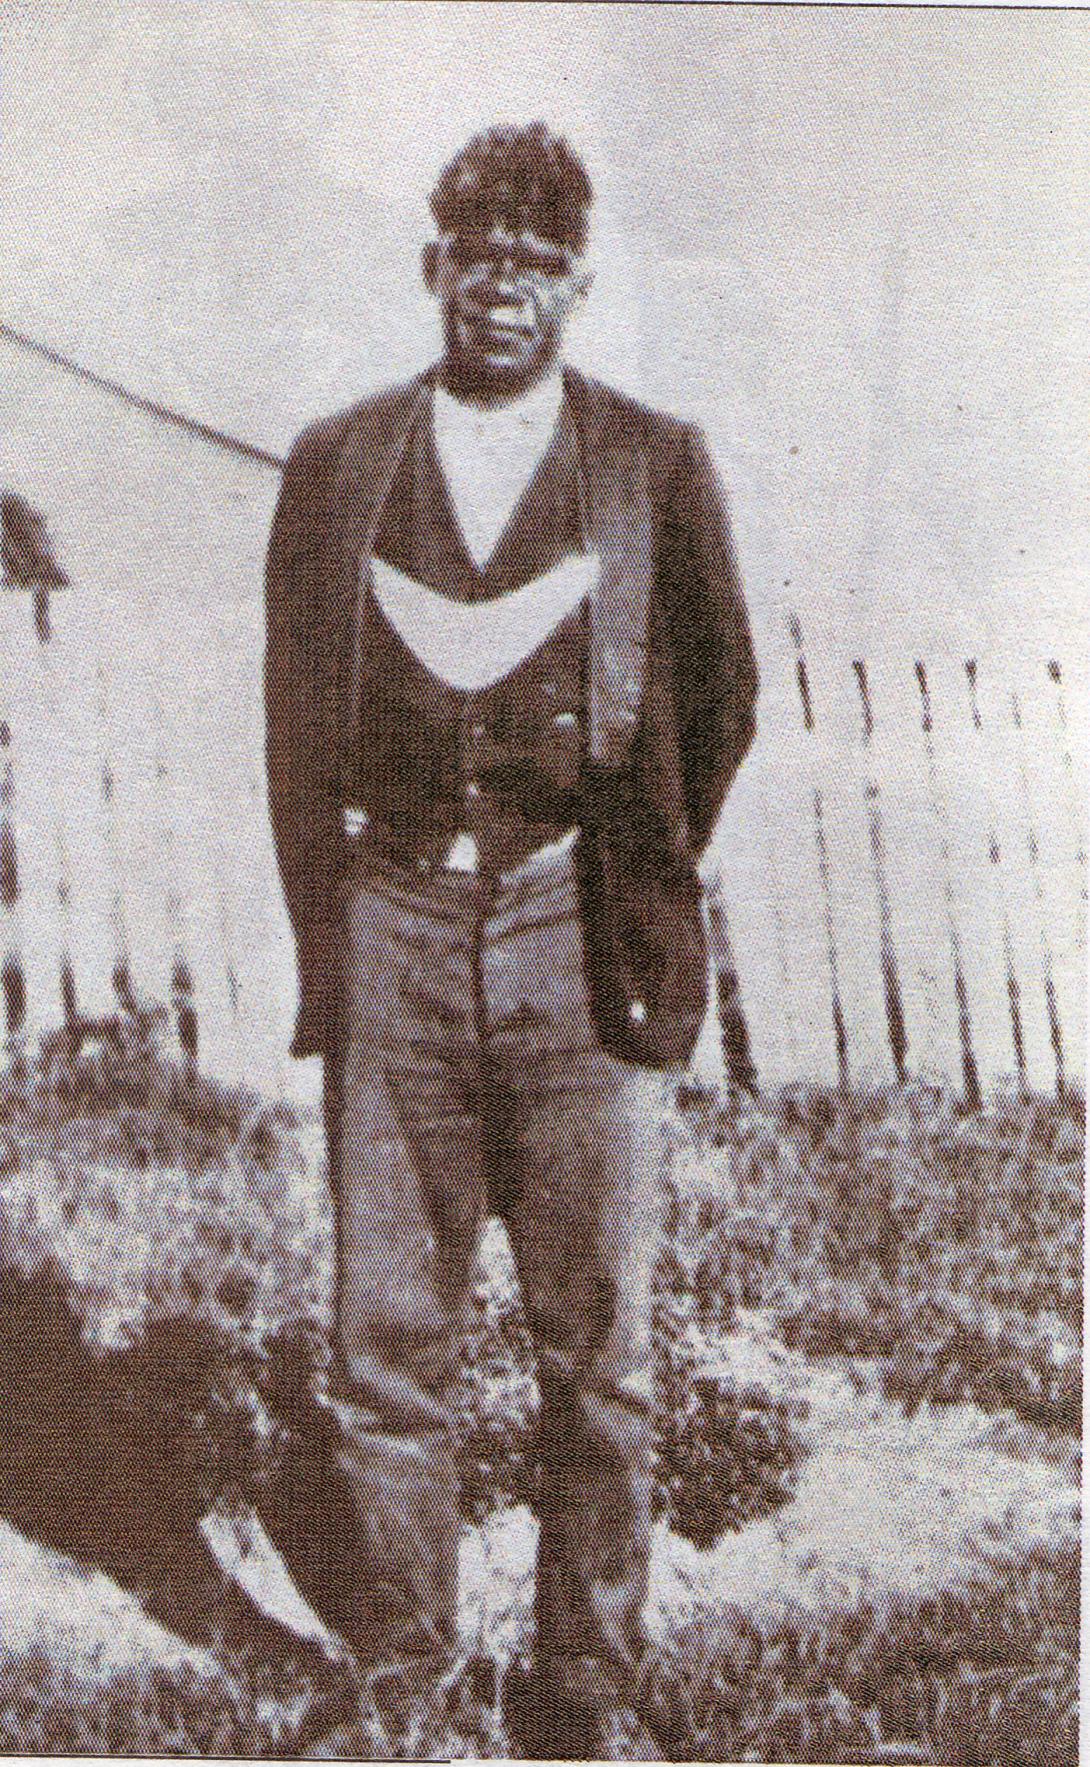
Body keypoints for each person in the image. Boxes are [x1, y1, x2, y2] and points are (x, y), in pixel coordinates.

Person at [264, 121, 758, 1757]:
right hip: (396, 917)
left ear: (578, 284)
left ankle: (584, 1698)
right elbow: (291, 721)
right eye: (477, 260)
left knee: (597, 1356)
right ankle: (403, 1690)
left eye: (537, 267)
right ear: (433, 270)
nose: (503, 294)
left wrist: (629, 876)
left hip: (572, 928)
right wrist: (340, 930)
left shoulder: (650, 462)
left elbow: (721, 685)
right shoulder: (342, 462)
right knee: (385, 1342)